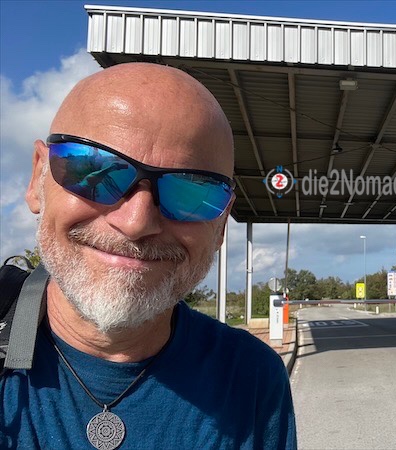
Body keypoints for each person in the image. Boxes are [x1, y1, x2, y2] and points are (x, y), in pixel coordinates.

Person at [1, 63, 297, 449]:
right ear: (38, 179)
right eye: (94, 171)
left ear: (222, 223)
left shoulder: (250, 377)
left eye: (191, 192)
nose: (136, 222)